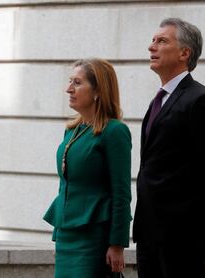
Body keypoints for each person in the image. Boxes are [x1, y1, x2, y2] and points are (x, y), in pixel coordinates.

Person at [132, 18, 205, 278]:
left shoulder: (199, 99)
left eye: (162, 41)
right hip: (149, 231)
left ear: (185, 53)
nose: (152, 47)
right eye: (153, 40)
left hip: (182, 234)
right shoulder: (158, 100)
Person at [43, 58, 132, 277]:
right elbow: (65, 185)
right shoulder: (72, 131)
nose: (69, 89)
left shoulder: (114, 132)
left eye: (77, 82)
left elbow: (121, 193)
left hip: (94, 239)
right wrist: (58, 233)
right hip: (66, 238)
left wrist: (117, 244)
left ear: (98, 91)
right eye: (70, 81)